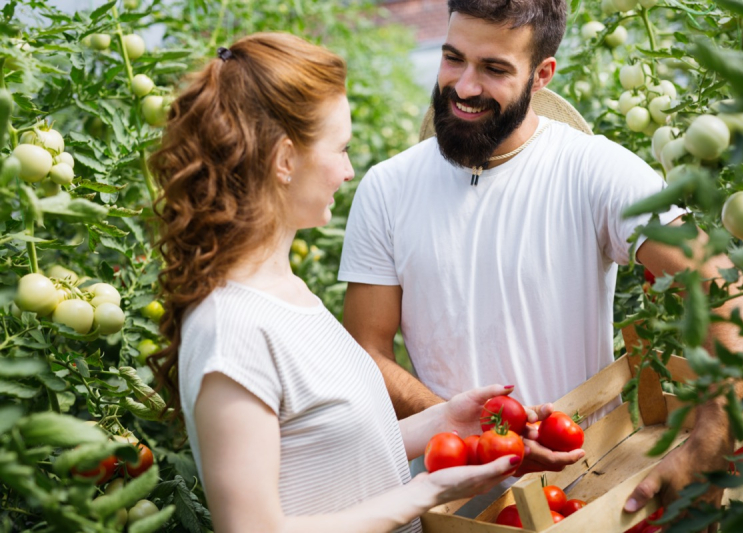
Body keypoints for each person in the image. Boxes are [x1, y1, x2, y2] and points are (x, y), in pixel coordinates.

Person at [338, 0, 743, 524]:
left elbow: (729, 298)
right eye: (453, 59)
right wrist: (467, 430)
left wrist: (708, 444)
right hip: (459, 503)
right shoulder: (387, 188)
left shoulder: (596, 171)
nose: (465, 87)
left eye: (494, 69)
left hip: (587, 488)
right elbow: (367, 350)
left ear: (542, 74)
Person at [147, 32, 534, 533]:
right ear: (285, 160)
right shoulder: (233, 330)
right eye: (342, 148)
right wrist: (423, 492)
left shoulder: (286, 292)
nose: (349, 170)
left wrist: (444, 422)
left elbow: (329, 450)